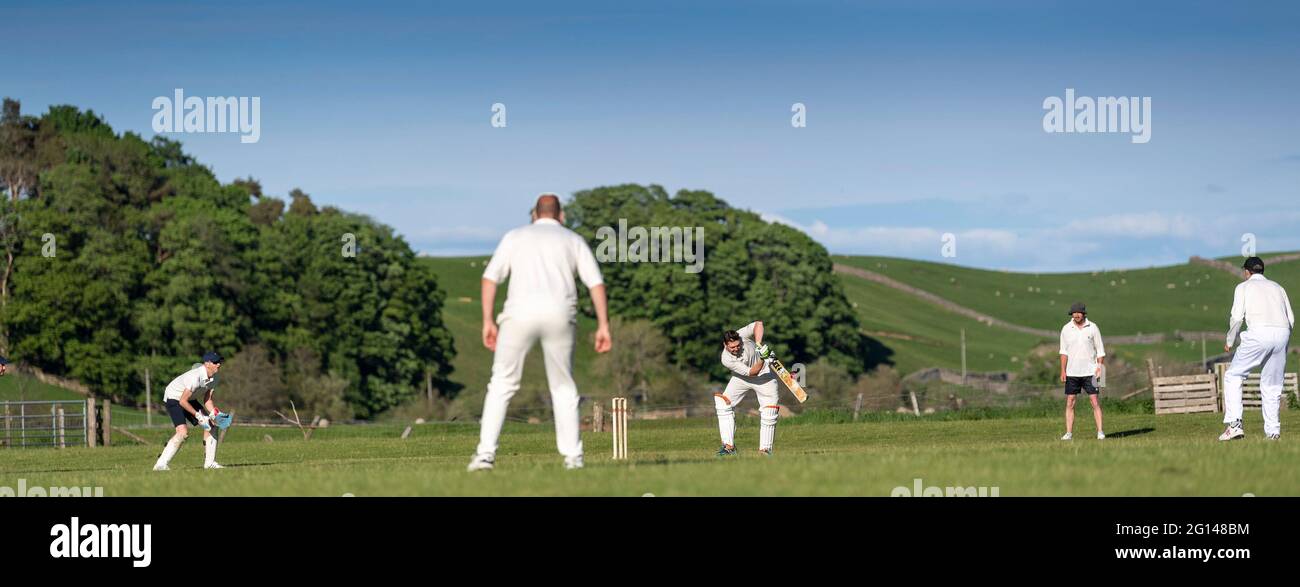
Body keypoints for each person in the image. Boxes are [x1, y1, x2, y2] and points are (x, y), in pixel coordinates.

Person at [468, 194, 612, 472]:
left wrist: (487, 320)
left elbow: (490, 278)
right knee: (563, 387)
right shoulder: (573, 239)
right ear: (562, 215)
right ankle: (573, 458)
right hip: (560, 313)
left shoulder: (514, 236)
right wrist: (603, 325)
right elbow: (595, 283)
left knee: (501, 384)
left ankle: (485, 455)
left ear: (534, 214)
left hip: (518, 314)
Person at [1221, 256, 1294, 441]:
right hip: (1282, 333)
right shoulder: (1278, 287)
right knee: (1272, 385)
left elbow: (1237, 318)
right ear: (1262, 270)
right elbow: (1291, 319)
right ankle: (1273, 433)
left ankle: (1235, 425)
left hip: (1259, 333)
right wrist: (1283, 340)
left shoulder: (1243, 287)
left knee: (1233, 376)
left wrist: (1229, 341)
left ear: (1247, 272)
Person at [716, 321, 781, 456]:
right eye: (732, 347)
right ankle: (728, 447)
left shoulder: (741, 334)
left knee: (769, 411)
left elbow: (759, 324)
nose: (736, 349)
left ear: (740, 339)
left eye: (738, 345)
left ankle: (765, 450)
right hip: (743, 377)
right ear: (725, 345)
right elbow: (752, 372)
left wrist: (758, 344)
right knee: (723, 403)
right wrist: (763, 358)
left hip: (765, 378)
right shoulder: (726, 359)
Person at [153, 352, 225, 470]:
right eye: (215, 362)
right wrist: (198, 415)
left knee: (212, 425)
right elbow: (182, 401)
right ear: (207, 364)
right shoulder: (195, 377)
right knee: (183, 433)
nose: (218, 364)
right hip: (174, 397)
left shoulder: (215, 377)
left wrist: (215, 413)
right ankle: (161, 465)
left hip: (188, 399)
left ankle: (210, 463)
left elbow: (207, 400)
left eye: (219, 362)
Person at [1059, 302, 1105, 440]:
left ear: (1084, 313)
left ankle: (1100, 432)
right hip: (1072, 372)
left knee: (1094, 401)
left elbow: (1101, 351)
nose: (1076, 315)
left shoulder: (1093, 327)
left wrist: (1100, 368)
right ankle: (1068, 433)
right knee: (1070, 402)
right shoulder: (1066, 329)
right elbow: (1063, 352)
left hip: (1091, 371)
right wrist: (1063, 371)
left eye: (1079, 312)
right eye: (1074, 313)